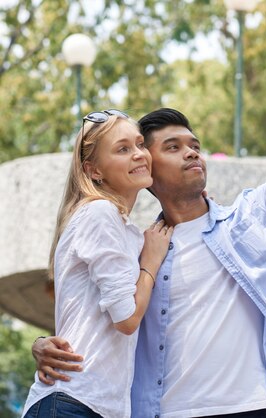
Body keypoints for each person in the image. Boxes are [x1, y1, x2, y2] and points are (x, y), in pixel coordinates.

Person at [32, 59, 266, 418]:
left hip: (242, 409)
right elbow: (99, 318)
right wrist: (44, 343)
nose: (191, 152)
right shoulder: (140, 247)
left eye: (194, 145)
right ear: (147, 168)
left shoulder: (251, 220)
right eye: (172, 147)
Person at [22, 111, 173, 417]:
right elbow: (127, 319)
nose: (139, 155)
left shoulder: (123, 228)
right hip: (73, 402)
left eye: (140, 144)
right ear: (94, 171)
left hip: (91, 405)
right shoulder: (99, 213)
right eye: (122, 149)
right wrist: (150, 264)